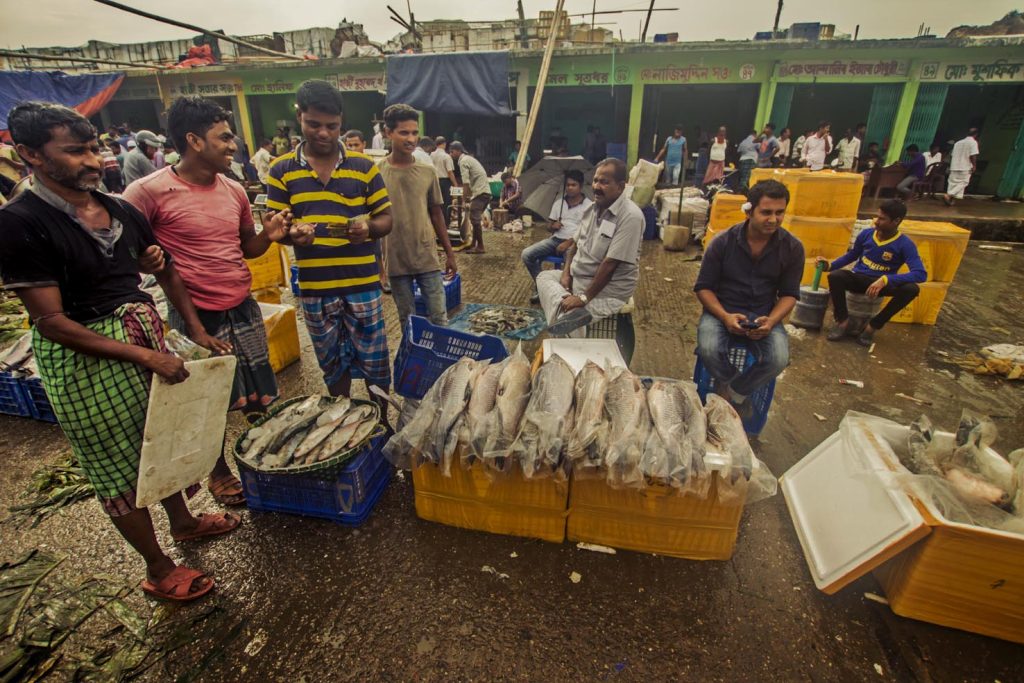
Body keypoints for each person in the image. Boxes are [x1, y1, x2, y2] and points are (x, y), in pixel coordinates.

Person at [0, 101, 239, 602]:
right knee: (116, 465)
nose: (92, 160)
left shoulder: (118, 209)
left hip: (143, 334)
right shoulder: (21, 222)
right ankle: (157, 567)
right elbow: (52, 322)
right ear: (30, 154)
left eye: (94, 148)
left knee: (160, 441)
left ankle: (184, 521)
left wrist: (192, 332)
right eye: (75, 152)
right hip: (86, 357)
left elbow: (166, 269)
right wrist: (148, 357)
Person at [124, 95, 286, 506]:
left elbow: (248, 247)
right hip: (194, 314)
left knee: (259, 391)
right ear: (194, 140)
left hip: (242, 305)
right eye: (224, 137)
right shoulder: (147, 192)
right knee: (207, 400)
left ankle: (266, 453)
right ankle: (218, 472)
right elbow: (125, 249)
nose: (233, 145)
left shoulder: (232, 189)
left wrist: (269, 234)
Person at [265, 80, 393, 424]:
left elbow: (386, 219)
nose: (323, 133)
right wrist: (293, 235)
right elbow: (276, 225)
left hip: (362, 283)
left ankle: (380, 420)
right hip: (315, 288)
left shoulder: (364, 167)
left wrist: (368, 228)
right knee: (330, 360)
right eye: (314, 125)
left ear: (341, 122)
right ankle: (344, 419)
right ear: (300, 117)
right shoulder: (281, 170)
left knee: (375, 359)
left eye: (332, 126)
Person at [693, 180, 802, 419]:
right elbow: (703, 288)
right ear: (749, 210)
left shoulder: (792, 248)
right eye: (766, 212)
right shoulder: (722, 243)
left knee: (779, 359)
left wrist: (771, 321)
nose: (773, 219)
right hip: (721, 310)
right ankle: (731, 385)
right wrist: (724, 316)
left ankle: (733, 392)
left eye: (779, 212)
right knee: (708, 348)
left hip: (764, 313)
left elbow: (789, 294)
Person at [537, 159, 643, 337]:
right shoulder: (591, 210)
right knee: (544, 276)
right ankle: (565, 311)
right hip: (578, 279)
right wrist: (566, 273)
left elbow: (610, 264)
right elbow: (574, 246)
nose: (596, 186)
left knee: (566, 316)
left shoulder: (631, 217)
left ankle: (568, 324)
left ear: (620, 186)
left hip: (606, 291)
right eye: (595, 181)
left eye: (604, 182)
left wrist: (583, 298)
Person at [377, 103, 458, 331]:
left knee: (440, 320)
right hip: (395, 260)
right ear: (388, 133)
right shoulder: (376, 173)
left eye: (414, 132)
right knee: (408, 322)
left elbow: (436, 214)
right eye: (404, 132)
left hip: (427, 257)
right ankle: (414, 365)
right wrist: (379, 268)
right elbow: (373, 222)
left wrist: (449, 253)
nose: (411, 139)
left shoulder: (427, 171)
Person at [820, 199, 925, 346]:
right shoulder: (867, 234)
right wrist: (830, 265)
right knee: (836, 276)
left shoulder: (905, 244)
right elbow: (852, 255)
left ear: (896, 221)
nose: (876, 221)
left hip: (881, 285)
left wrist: (886, 280)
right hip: (860, 278)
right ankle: (842, 321)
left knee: (911, 289)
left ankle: (872, 327)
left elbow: (920, 274)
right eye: (877, 217)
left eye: (882, 219)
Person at [522, 169, 592, 304]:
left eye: (573, 185)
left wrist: (568, 243)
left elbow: (586, 232)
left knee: (570, 264)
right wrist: (553, 226)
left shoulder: (589, 206)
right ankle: (542, 288)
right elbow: (549, 226)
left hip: (575, 244)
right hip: (555, 240)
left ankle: (566, 293)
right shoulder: (559, 203)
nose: (570, 188)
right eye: (568, 185)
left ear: (581, 186)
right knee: (527, 254)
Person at [449, 141, 490, 254]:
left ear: (458, 151)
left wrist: (464, 199)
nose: (451, 154)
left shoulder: (463, 161)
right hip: (482, 192)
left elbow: (465, 183)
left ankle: (480, 246)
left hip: (481, 192)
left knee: (475, 220)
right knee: (474, 219)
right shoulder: (468, 159)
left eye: (452, 152)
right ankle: (473, 244)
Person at [944, 128, 980, 206]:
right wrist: (974, 165)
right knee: (964, 182)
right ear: (976, 134)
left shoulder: (958, 143)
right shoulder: (973, 143)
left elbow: (952, 155)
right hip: (965, 166)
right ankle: (949, 195)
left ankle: (951, 200)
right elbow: (973, 155)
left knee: (952, 183)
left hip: (954, 166)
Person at [431, 135, 457, 216]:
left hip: (434, 181)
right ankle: (446, 222)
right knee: (446, 202)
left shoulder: (431, 155)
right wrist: (455, 184)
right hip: (445, 182)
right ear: (444, 144)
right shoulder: (446, 156)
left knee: (437, 203)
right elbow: (450, 172)